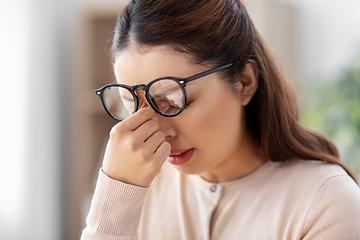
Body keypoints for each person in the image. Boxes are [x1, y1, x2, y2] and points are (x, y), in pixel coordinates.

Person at [82, 0, 360, 239]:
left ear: (244, 83)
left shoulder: (327, 203)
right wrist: (116, 195)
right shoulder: (136, 180)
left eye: (174, 100)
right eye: (132, 103)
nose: (156, 131)